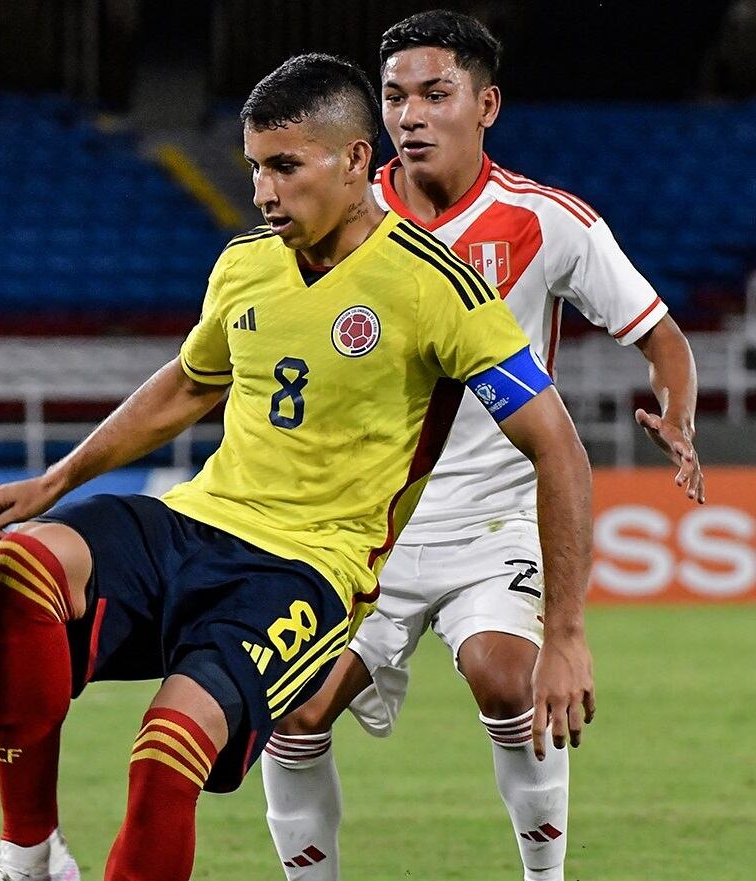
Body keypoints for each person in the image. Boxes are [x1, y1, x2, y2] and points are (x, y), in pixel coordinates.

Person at [0, 51, 593, 881]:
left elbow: (557, 446)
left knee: (164, 755)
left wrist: (565, 635)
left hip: (307, 571)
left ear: (355, 160)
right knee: (25, 565)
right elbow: (193, 381)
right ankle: (27, 855)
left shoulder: (436, 287)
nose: (264, 192)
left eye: (285, 167)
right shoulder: (245, 262)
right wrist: (57, 481)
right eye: (256, 167)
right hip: (197, 519)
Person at [262, 11, 704, 881]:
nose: (410, 115)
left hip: (495, 522)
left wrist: (678, 415)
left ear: (485, 102)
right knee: (291, 714)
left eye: (435, 93)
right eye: (393, 97)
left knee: (510, 681)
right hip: (363, 529)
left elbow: (661, 340)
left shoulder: (545, 222)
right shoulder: (338, 220)